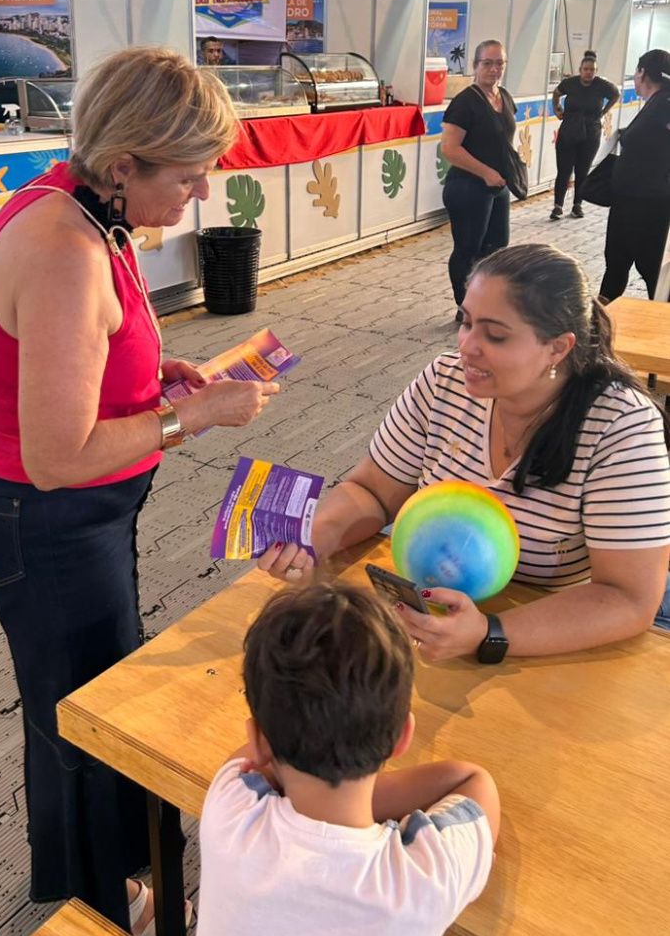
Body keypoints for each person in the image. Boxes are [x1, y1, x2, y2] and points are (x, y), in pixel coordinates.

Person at [0, 47, 279, 936]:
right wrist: (199, 417)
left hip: (69, 521)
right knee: (90, 719)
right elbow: (56, 455)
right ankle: (111, 907)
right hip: (53, 519)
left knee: (72, 702)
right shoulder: (65, 249)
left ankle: (89, 884)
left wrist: (148, 377)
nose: (200, 197)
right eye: (188, 178)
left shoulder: (74, 209)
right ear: (122, 165)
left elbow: (73, 357)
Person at [259, 243, 670, 658]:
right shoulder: (444, 382)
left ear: (558, 348)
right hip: (426, 623)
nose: (467, 347)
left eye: (495, 334)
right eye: (466, 322)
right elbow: (372, 492)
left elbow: (629, 598)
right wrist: (314, 537)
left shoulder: (621, 427)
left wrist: (489, 632)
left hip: (550, 633)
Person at [191, 583, 499, 936]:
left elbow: (253, 761)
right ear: (402, 738)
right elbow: (473, 781)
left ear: (258, 739)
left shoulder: (229, 808)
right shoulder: (426, 878)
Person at [441, 39, 516, 319]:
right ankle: (465, 306)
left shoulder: (504, 97)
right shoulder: (465, 102)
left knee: (498, 247)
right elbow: (450, 148)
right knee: (468, 248)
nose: (494, 69)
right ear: (475, 66)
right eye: (487, 63)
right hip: (468, 187)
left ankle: (484, 301)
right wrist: (485, 172)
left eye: (499, 63)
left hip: (497, 187)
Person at [599, 48, 670, 302]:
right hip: (628, 203)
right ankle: (601, 319)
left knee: (652, 270)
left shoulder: (665, 103)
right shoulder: (655, 103)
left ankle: (663, 323)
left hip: (649, 205)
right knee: (617, 264)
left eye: (636, 72)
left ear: (642, 73)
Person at [551, 50, 619, 221]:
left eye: (592, 69)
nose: (589, 72)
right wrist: (557, 108)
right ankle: (557, 205)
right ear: (580, 70)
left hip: (590, 131)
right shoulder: (570, 83)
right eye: (586, 69)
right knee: (564, 170)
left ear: (596, 71)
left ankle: (577, 204)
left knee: (582, 170)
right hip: (569, 129)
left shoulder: (602, 85)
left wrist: (604, 111)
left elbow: (615, 94)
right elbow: (556, 93)